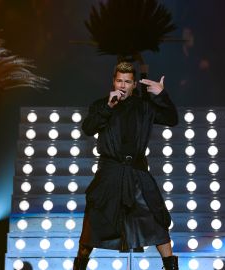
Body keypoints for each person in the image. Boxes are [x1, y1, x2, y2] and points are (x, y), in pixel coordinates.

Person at [74, 62, 179, 270]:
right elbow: (87, 128)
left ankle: (170, 267)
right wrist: (108, 107)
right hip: (109, 174)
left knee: (158, 226)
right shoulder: (101, 105)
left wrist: (162, 95)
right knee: (90, 231)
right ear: (113, 81)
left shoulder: (144, 107)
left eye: (127, 82)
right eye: (119, 81)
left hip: (137, 173)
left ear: (133, 84)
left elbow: (171, 119)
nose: (122, 85)